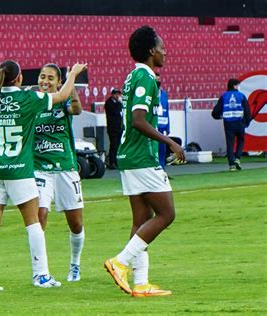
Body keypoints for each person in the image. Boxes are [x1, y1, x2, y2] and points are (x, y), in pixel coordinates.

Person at [0, 60, 86, 292]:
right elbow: (63, 97)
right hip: (20, 171)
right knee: (34, 223)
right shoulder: (28, 99)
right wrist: (73, 73)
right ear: (20, 78)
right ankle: (41, 275)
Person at [104, 26, 185, 297]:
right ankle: (119, 262)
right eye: (162, 46)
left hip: (128, 156)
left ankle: (140, 283)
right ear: (151, 51)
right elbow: (138, 120)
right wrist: (170, 141)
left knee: (142, 219)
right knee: (167, 213)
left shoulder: (133, 76)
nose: (165, 50)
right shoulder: (145, 77)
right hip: (141, 157)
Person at [33, 63, 85, 282]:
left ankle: (75, 265)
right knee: (40, 216)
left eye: (50, 78)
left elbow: (77, 110)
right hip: (39, 169)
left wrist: (70, 84)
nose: (45, 81)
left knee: (75, 224)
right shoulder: (33, 103)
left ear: (58, 82)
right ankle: (40, 270)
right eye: (42, 76)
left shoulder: (62, 102)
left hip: (65, 168)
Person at [211, 78, 251, 171]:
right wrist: (247, 122)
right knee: (241, 141)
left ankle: (231, 164)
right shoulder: (241, 96)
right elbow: (247, 111)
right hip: (240, 122)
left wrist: (220, 116)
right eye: (238, 85)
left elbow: (215, 112)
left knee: (230, 144)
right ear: (234, 86)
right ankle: (237, 158)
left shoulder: (224, 96)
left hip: (228, 123)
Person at [104, 88, 124, 169]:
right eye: (115, 94)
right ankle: (112, 162)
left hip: (119, 127)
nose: (117, 96)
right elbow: (114, 112)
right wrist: (119, 103)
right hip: (112, 128)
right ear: (112, 94)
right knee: (114, 145)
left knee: (118, 145)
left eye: (118, 94)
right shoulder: (109, 103)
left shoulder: (118, 103)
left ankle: (117, 161)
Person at [155, 73, 170, 170]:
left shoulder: (164, 94)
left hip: (163, 125)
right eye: (156, 80)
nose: (158, 81)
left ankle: (162, 170)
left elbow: (167, 111)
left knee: (162, 149)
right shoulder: (150, 93)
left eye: (159, 79)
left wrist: (168, 127)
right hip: (154, 126)